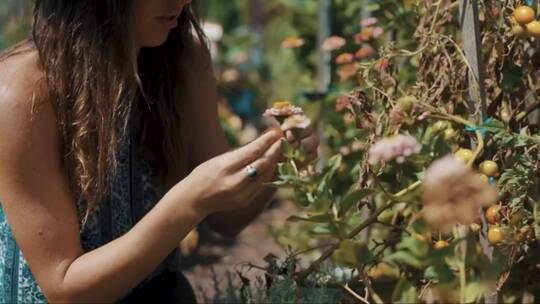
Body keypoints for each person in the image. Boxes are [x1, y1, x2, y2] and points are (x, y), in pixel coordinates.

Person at [0, 0, 319, 302]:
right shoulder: (24, 93)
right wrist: (189, 202)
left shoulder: (181, 58)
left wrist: (278, 159)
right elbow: (65, 289)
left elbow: (227, 218)